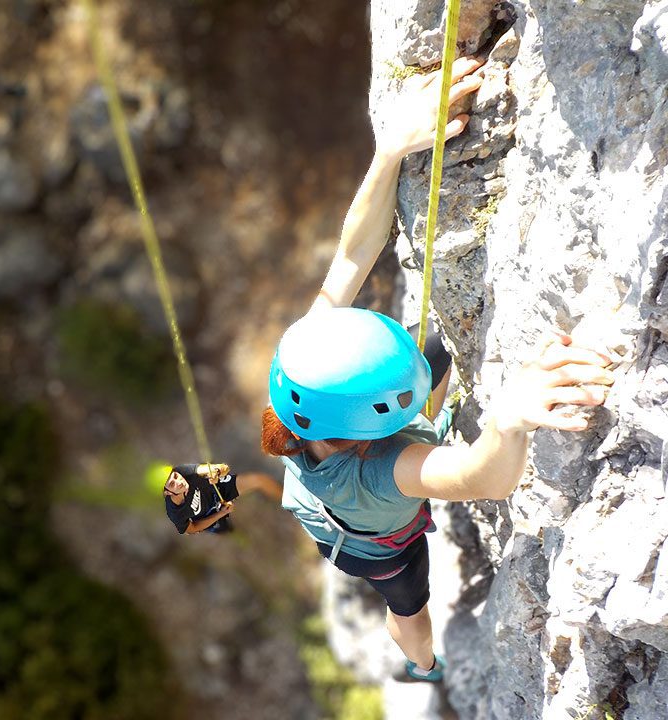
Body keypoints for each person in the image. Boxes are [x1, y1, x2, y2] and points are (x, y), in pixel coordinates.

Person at [261, 55, 615, 682]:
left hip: (324, 491)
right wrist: (507, 422)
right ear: (373, 426)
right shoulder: (379, 472)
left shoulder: (309, 365)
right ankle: (420, 663)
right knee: (409, 602)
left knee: (436, 353)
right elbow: (481, 478)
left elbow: (353, 254)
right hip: (376, 546)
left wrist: (391, 148)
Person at [163, 463, 283, 535]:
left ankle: (289, 499)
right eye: (172, 484)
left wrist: (216, 472)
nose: (179, 482)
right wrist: (220, 514)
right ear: (168, 493)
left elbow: (223, 467)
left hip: (218, 488)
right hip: (210, 514)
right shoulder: (175, 513)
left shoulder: (184, 471)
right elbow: (191, 529)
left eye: (175, 476)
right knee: (229, 531)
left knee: (258, 480)